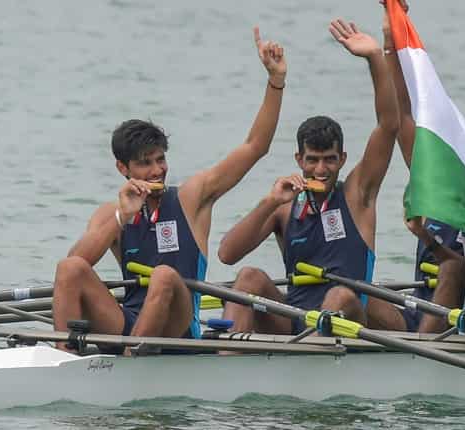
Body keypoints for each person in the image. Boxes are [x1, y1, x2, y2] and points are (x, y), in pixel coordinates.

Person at [51, 27, 288, 351]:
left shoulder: (192, 198)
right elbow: (75, 266)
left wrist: (275, 81)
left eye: (160, 160)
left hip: (179, 326)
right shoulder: (112, 214)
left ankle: (131, 363)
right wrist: (122, 217)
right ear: (124, 169)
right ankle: (63, 359)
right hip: (128, 320)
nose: (157, 170)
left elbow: (255, 146)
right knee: (68, 267)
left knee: (163, 274)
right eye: (145, 163)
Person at [218, 18, 404, 334]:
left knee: (338, 294)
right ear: (299, 160)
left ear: (342, 159)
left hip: (351, 318)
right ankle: (228, 364)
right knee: (248, 277)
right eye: (313, 160)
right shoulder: (284, 207)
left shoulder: (358, 193)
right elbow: (226, 254)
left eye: (330, 160)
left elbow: (388, 126)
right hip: (298, 321)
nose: (321, 170)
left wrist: (375, 57)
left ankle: (312, 361)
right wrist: (269, 202)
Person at [382, 3, 465, 332]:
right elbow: (402, 114)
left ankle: (420, 358)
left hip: (464, 322)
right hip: (419, 308)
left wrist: (425, 238)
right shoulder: (435, 191)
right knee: (346, 293)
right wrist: (391, 41)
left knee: (452, 270)